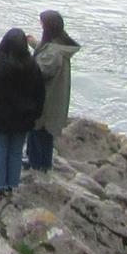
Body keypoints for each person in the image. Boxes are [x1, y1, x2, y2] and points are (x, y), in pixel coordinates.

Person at [0, 28, 45, 196]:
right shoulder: (32, 65)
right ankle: (12, 185)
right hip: (23, 117)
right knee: (16, 151)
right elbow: (40, 93)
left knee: (0, 149)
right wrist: (36, 113)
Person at [26, 12, 80, 173]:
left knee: (38, 131)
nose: (41, 26)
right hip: (56, 98)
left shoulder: (53, 52)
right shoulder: (60, 45)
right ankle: (43, 164)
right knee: (46, 135)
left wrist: (20, 60)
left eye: (42, 24)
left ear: (47, 27)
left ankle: (37, 166)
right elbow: (48, 53)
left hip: (46, 99)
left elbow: (40, 70)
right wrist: (35, 43)